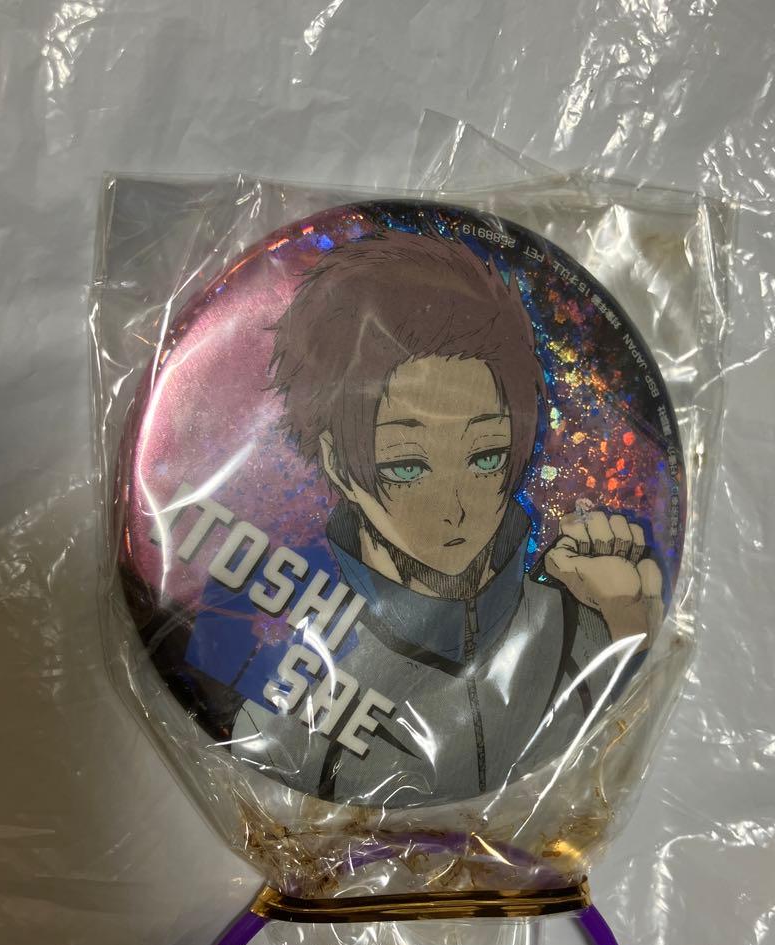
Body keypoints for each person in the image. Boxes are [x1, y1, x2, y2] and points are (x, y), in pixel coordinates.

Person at [225, 228, 664, 806]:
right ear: (337, 463)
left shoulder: (580, 629)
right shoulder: (295, 691)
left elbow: (611, 767)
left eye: (486, 457)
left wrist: (627, 631)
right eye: (407, 466)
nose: (456, 508)